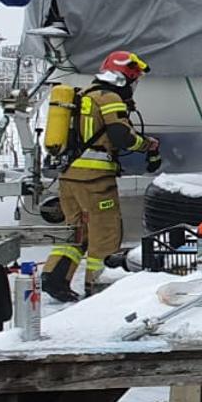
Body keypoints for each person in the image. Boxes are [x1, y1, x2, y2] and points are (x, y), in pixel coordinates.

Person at [45, 51, 159, 302]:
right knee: (105, 234)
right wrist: (147, 145)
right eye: (133, 80)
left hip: (68, 179)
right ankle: (100, 289)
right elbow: (123, 137)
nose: (133, 86)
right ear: (122, 79)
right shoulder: (109, 99)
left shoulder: (83, 96)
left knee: (78, 232)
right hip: (95, 183)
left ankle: (54, 277)